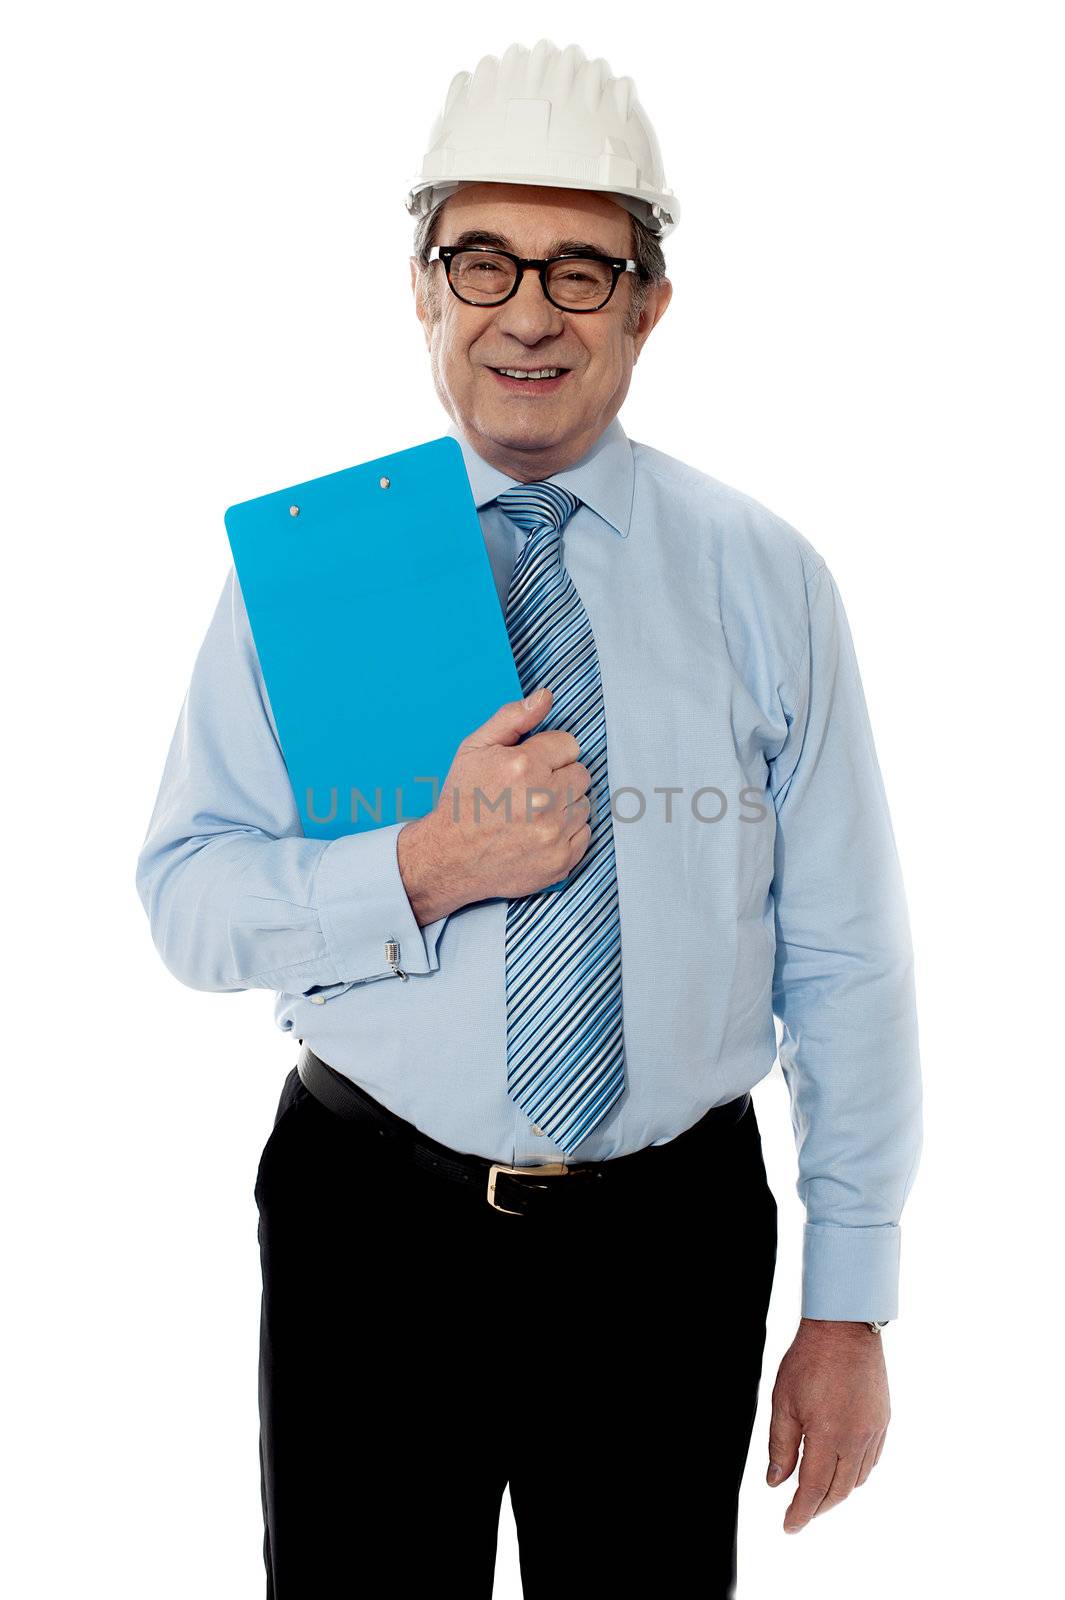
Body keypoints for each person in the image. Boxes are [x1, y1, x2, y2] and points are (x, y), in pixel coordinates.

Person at [134, 37, 923, 1600]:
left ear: (649, 304)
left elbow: (848, 955)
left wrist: (850, 1303)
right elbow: (186, 899)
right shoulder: (308, 577)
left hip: (669, 1246)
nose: (528, 312)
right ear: (421, 290)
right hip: (372, 1223)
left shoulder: (765, 577)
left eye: (582, 268)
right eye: (480, 260)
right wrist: (421, 867)